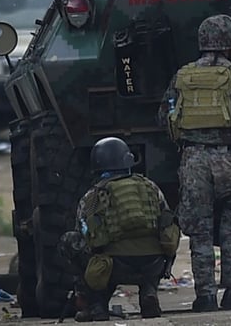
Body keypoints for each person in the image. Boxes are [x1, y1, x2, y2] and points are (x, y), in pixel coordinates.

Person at [158, 14, 231, 312]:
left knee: (200, 231)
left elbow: (164, 116)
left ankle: (204, 296)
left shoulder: (182, 75)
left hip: (193, 159)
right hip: (230, 158)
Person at [59, 137, 180, 322]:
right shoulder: (150, 186)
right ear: (128, 160)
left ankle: (97, 305)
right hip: (153, 263)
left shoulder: (92, 196)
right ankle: (149, 291)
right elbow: (167, 221)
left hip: (113, 266)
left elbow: (84, 233)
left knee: (71, 241)